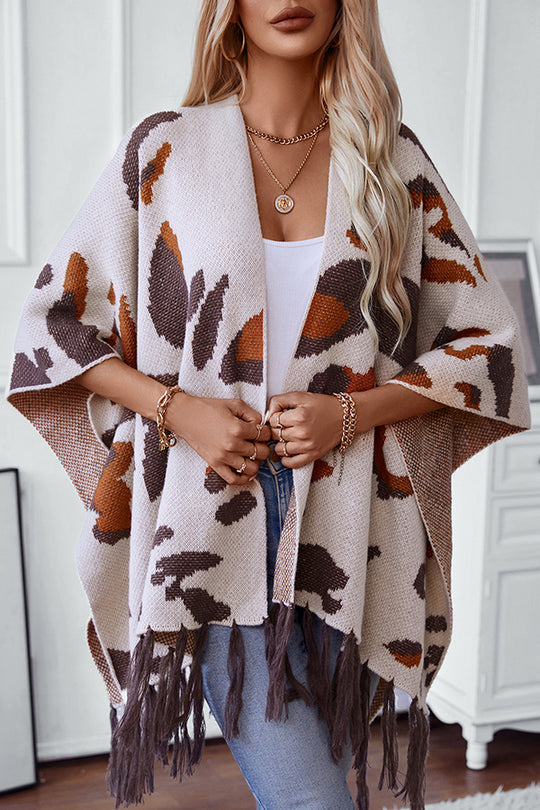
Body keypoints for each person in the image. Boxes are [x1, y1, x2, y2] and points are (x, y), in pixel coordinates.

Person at [7, 1, 530, 809]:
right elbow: (54, 329)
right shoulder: (166, 149)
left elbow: (488, 346)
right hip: (209, 519)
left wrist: (350, 414)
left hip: (355, 525)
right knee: (312, 800)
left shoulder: (391, 159)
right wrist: (179, 409)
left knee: (319, 785)